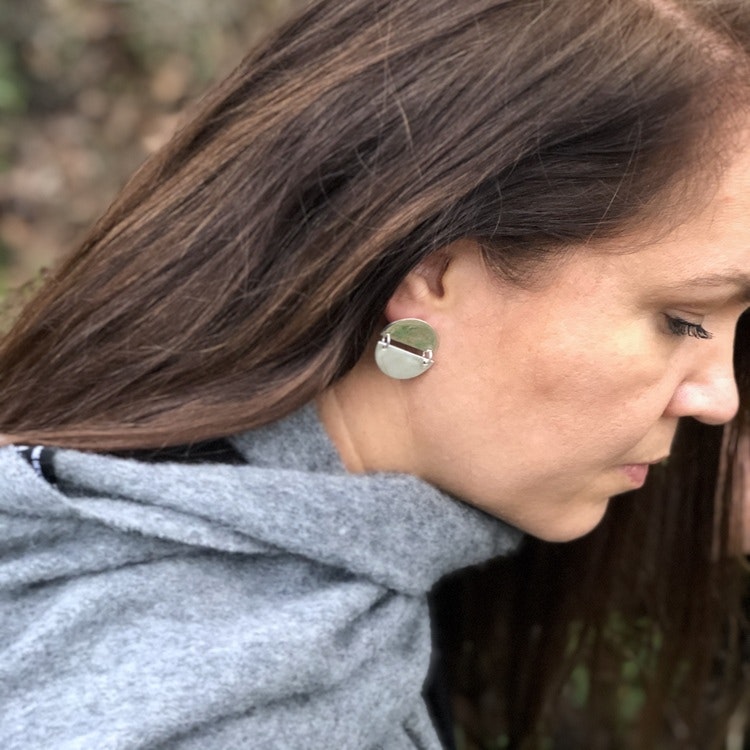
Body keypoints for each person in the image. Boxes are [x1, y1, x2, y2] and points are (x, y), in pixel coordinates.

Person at [1, 0, 749, 747]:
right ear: (434, 277)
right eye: (682, 320)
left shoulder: (109, 531)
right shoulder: (246, 704)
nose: (720, 398)